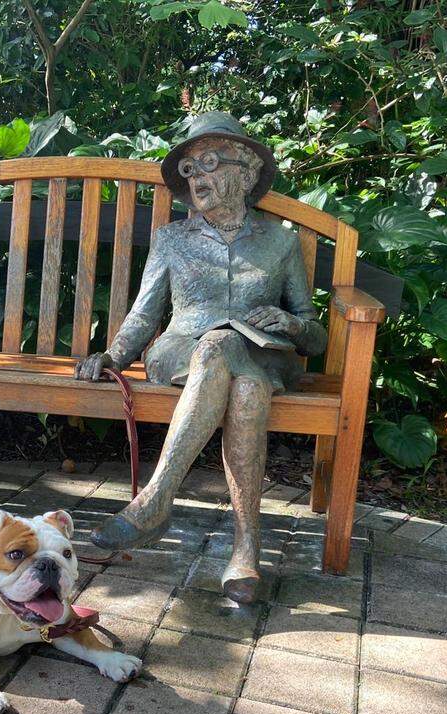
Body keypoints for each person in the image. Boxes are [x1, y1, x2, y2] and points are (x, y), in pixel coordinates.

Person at [74, 112, 327, 603]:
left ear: (247, 172)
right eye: (189, 170)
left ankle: (158, 501)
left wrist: (295, 325)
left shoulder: (280, 242)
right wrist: (114, 354)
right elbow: (145, 313)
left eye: (208, 163)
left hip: (265, 358)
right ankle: (245, 551)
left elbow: (312, 335)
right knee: (217, 345)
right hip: (181, 351)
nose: (197, 178)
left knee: (246, 380)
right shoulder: (173, 240)